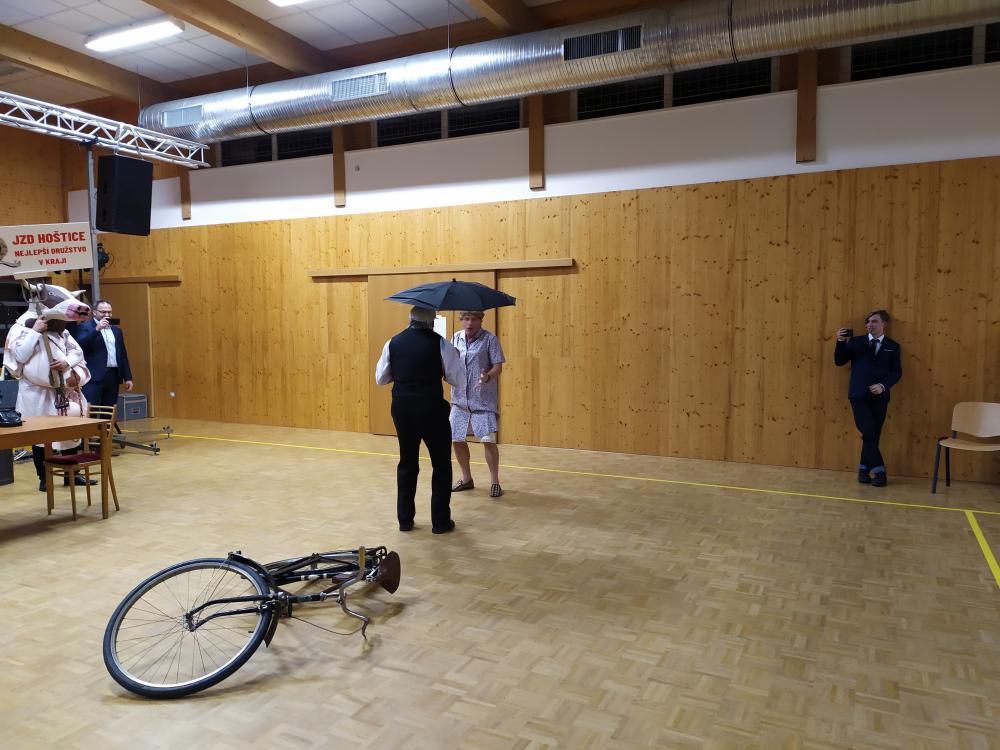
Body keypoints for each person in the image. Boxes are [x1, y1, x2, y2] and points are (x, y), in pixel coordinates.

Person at [375, 306, 465, 534]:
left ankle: (405, 521)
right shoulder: (441, 344)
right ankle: (440, 522)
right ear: (432, 322)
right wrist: (452, 361)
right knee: (441, 464)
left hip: (402, 409)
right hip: (431, 409)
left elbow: (381, 378)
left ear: (410, 320)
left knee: (407, 462)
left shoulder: (392, 342)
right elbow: (457, 379)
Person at [4, 311, 91, 491]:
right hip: (36, 392)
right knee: (40, 438)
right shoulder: (21, 328)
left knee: (69, 432)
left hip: (62, 391)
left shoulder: (61, 329)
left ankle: (72, 474)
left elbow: (77, 352)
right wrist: (35, 332)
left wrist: (66, 362)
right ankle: (44, 478)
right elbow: (20, 356)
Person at [834, 309, 902, 486]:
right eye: (868, 322)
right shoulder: (856, 342)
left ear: (883, 324)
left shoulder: (893, 346)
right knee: (869, 431)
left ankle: (863, 469)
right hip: (858, 395)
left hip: (880, 396)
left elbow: (897, 372)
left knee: (872, 435)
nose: (869, 324)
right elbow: (839, 361)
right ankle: (879, 471)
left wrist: (883, 386)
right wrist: (840, 342)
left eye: (874, 321)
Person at [449, 311, 506, 498]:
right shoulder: (455, 338)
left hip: (482, 400)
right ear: (462, 320)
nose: (469, 323)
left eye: (474, 319)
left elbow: (498, 366)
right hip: (459, 400)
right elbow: (450, 362)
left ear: (480, 320)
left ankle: (495, 481)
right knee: (457, 439)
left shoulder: (490, 339)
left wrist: (488, 376)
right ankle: (466, 479)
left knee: (487, 440)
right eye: (466, 319)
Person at [71, 299, 133, 408]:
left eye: (109, 312)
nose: (107, 315)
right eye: (103, 312)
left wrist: (128, 378)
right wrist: (97, 329)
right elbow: (79, 346)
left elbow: (122, 355)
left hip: (113, 375)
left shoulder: (117, 331)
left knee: (109, 409)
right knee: (91, 409)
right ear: (94, 312)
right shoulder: (85, 327)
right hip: (93, 376)